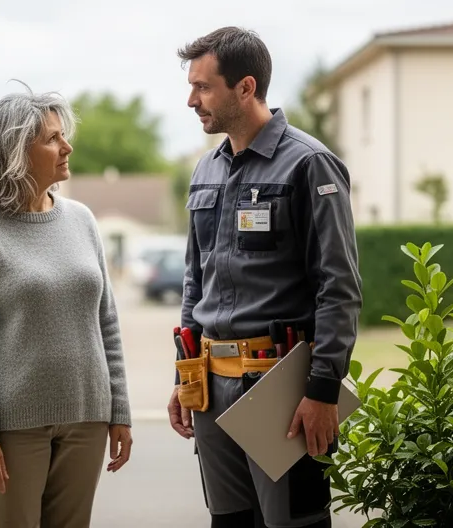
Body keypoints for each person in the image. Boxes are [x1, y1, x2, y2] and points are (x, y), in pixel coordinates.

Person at [167, 27, 362, 528]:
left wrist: (322, 391)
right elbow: (196, 281)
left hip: (284, 392)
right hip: (211, 387)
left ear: (246, 87)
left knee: (295, 523)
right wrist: (185, 374)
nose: (191, 100)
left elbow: (338, 287)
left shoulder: (309, 164)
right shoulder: (205, 171)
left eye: (204, 87)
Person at [0, 88, 133, 528]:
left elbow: (107, 323)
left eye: (63, 136)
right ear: (14, 151)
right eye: (52, 139)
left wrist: (119, 409)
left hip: (87, 418)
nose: (66, 147)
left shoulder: (82, 220)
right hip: (12, 430)